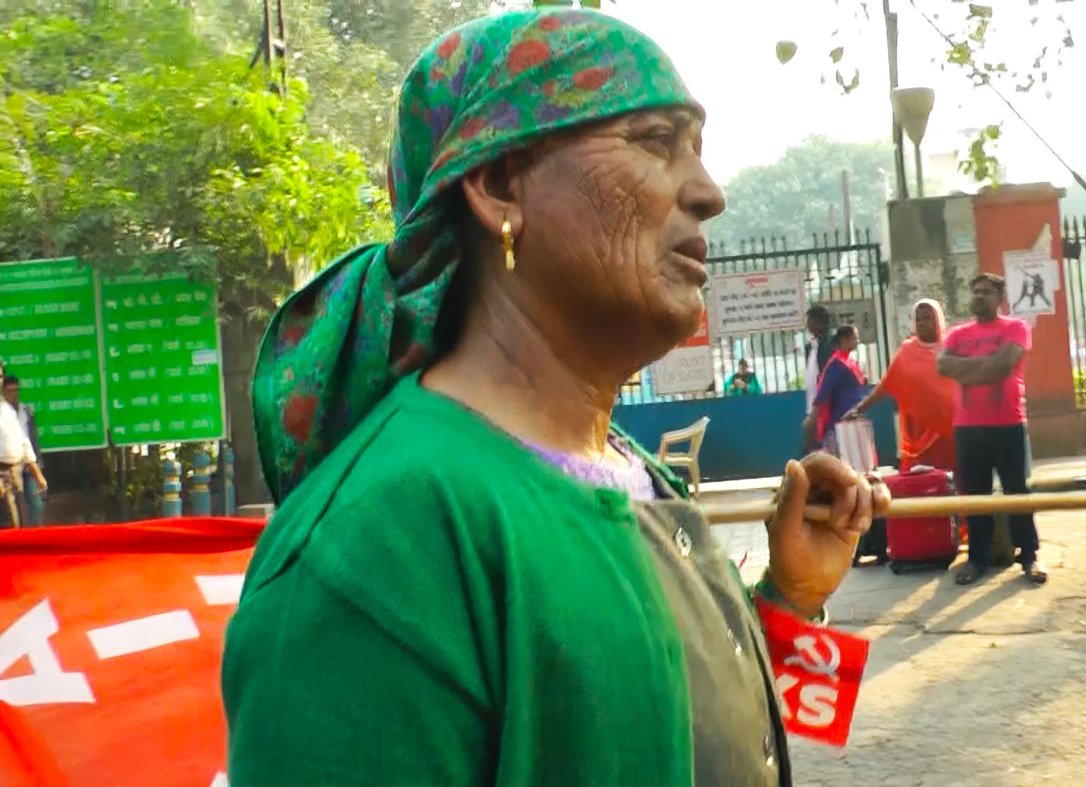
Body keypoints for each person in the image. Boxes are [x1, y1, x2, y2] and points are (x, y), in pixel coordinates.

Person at [221, 10, 886, 786]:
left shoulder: (629, 475)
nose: (709, 192)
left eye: (696, 150)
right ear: (502, 186)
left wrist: (788, 597)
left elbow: (654, 724)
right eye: (654, 141)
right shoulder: (375, 551)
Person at [938, 274, 1045, 585]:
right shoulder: (957, 334)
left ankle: (1029, 557)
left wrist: (968, 369)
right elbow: (943, 367)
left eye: (987, 292)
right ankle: (977, 560)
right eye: (976, 291)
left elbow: (1005, 366)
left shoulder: (1016, 327)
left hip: (1008, 424)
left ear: (1000, 298)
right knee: (975, 496)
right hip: (968, 429)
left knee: (1017, 493)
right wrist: (989, 366)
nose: (980, 296)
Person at [844, 299, 958, 472]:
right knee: (920, 484)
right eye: (918, 319)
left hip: (949, 431)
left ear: (938, 320)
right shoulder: (906, 352)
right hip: (917, 434)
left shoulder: (952, 347)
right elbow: (886, 385)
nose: (921, 323)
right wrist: (859, 409)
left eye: (927, 318)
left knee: (951, 481)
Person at [804, 325, 866, 448]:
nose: (858, 342)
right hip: (841, 420)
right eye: (855, 338)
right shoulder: (836, 363)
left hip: (854, 417)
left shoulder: (850, 362)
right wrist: (813, 417)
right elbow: (824, 390)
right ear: (844, 340)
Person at [0, 371, 45, 529]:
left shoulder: (18, 411)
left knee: (30, 509)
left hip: (21, 467)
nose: (14, 394)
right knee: (11, 515)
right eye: (10, 390)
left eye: (16, 390)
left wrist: (36, 470)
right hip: (4, 470)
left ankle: (34, 545)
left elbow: (25, 440)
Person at [803, 305, 835, 449]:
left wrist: (817, 410)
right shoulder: (813, 346)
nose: (807, 324)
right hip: (814, 408)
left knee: (823, 450)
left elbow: (828, 380)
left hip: (823, 409)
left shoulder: (828, 345)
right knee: (814, 449)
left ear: (819, 322)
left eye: (810, 320)